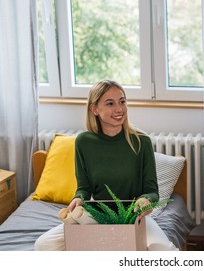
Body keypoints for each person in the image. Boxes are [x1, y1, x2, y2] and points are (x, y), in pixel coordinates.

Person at [35, 79, 176, 251]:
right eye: (110, 103)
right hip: (97, 215)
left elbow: (152, 191)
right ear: (94, 109)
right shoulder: (83, 142)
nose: (119, 109)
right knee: (43, 245)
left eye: (122, 102)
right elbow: (84, 188)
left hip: (134, 217)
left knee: (164, 250)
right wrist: (78, 198)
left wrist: (146, 200)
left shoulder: (141, 141)